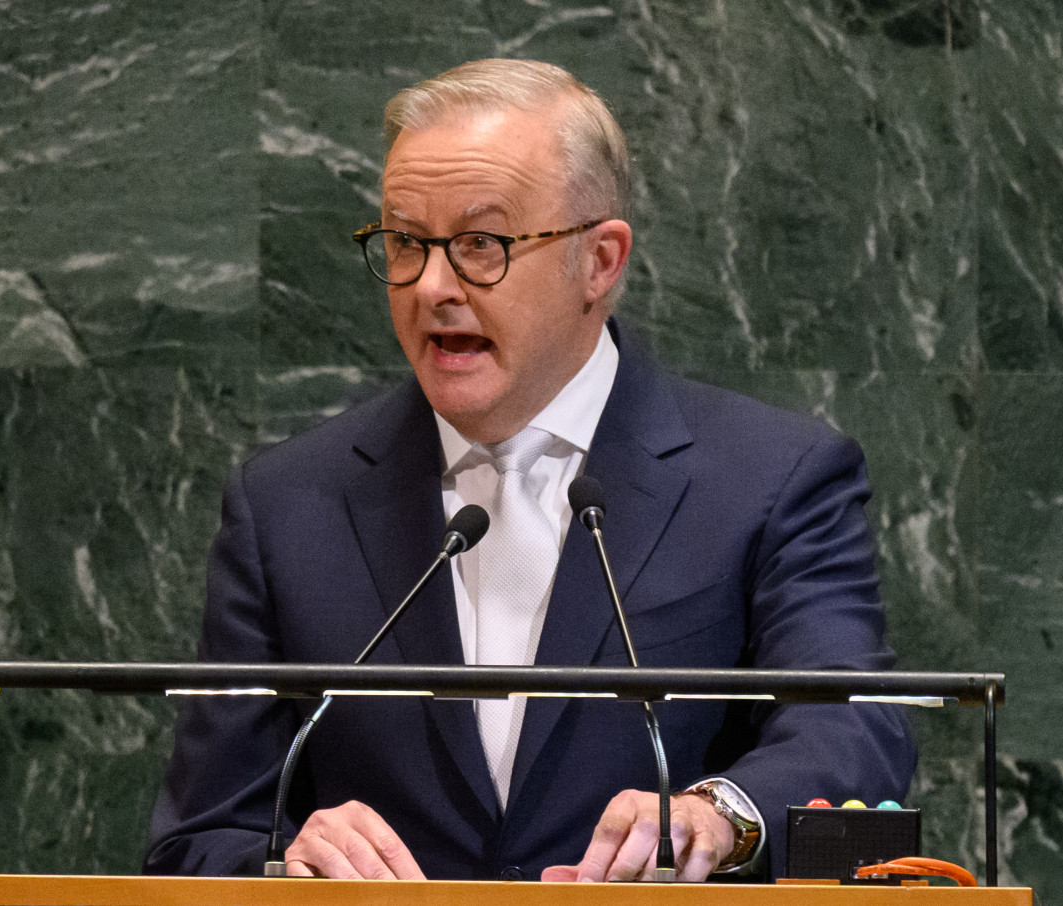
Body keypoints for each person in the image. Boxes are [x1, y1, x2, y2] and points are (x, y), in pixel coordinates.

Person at [143, 59, 915, 884]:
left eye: (482, 245)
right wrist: (285, 864)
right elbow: (199, 836)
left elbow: (854, 731)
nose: (433, 286)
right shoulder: (288, 506)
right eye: (406, 242)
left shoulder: (771, 477)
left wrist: (716, 815)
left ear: (601, 261)